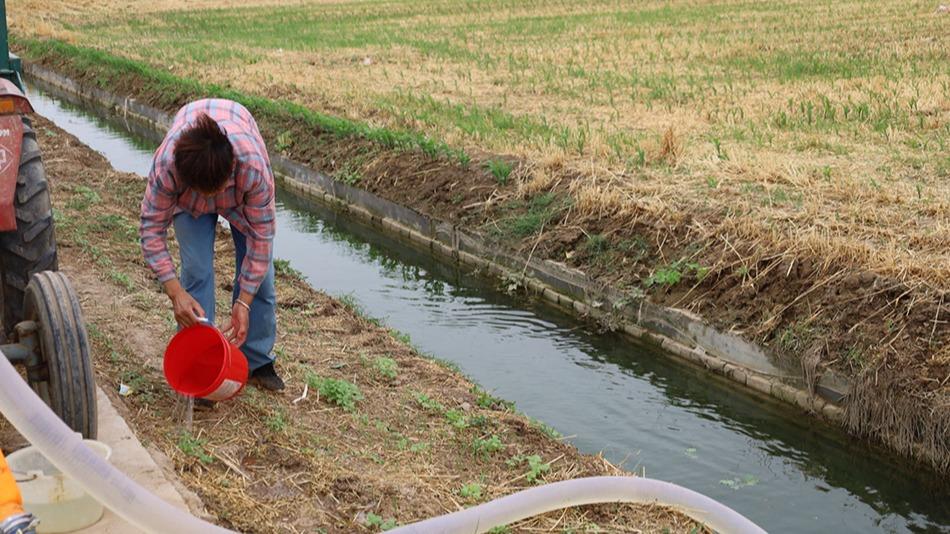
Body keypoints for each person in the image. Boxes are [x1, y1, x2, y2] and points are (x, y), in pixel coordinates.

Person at [140, 99, 284, 392]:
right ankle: (200, 362)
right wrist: (174, 292)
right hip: (187, 203)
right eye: (203, 193)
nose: (211, 202)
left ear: (230, 169)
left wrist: (243, 301)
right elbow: (151, 230)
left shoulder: (251, 168)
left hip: (241, 199)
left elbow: (261, 237)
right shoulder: (167, 167)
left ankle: (257, 360)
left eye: (214, 192)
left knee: (261, 282)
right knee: (196, 272)